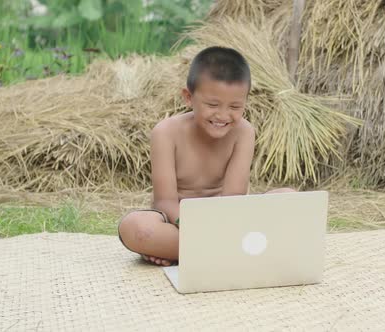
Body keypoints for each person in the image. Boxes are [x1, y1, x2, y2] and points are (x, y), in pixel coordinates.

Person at [118, 46, 293, 266]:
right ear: (188, 97)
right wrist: (191, 226)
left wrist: (222, 228)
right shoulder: (166, 133)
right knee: (136, 228)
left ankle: (189, 253)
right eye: (212, 105)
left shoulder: (244, 132)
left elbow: (233, 198)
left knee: (288, 197)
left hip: (229, 219)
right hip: (178, 222)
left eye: (235, 106)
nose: (222, 115)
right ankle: (235, 251)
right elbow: (165, 201)